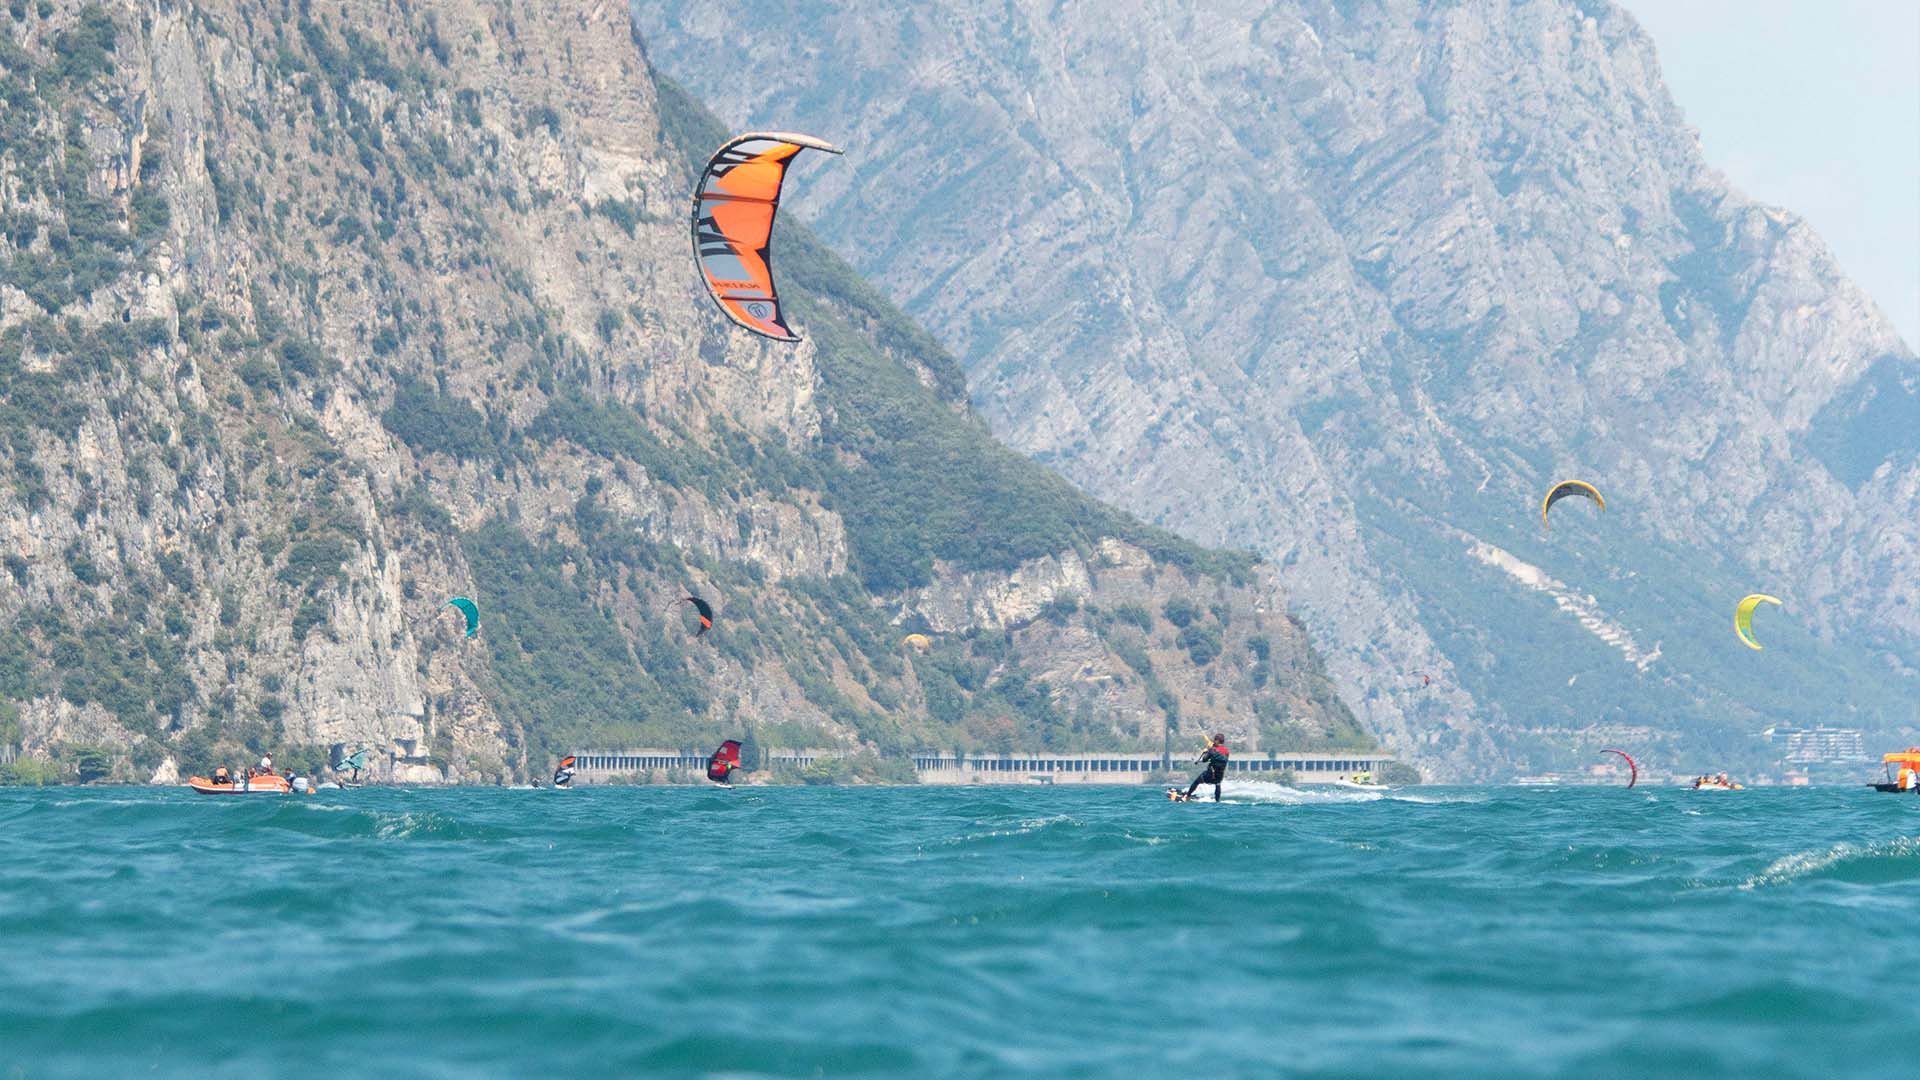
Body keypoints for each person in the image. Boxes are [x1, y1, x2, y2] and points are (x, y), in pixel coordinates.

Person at [1183, 734, 1231, 802]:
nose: (1213, 741)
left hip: (1210, 774)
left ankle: (1188, 796)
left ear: (1217, 741)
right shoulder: (1226, 751)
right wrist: (1211, 751)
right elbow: (1219, 758)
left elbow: (1205, 759)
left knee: (1197, 781)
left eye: (1215, 740)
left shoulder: (1212, 750)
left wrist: (1206, 752)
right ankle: (1217, 800)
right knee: (1217, 784)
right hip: (1220, 774)